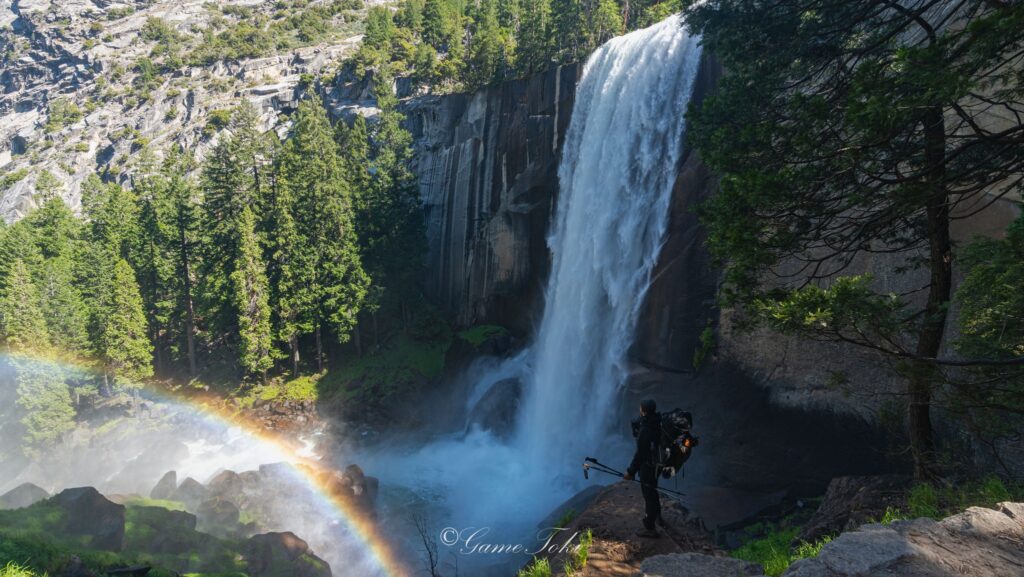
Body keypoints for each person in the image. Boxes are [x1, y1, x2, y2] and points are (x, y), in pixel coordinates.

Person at [624, 398, 661, 538]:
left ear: (643, 410)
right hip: (657, 463)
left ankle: (649, 528)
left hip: (648, 466)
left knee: (649, 495)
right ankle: (658, 517)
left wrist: (630, 471)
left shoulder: (646, 429)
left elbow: (640, 454)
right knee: (653, 490)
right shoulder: (657, 420)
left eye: (640, 408)